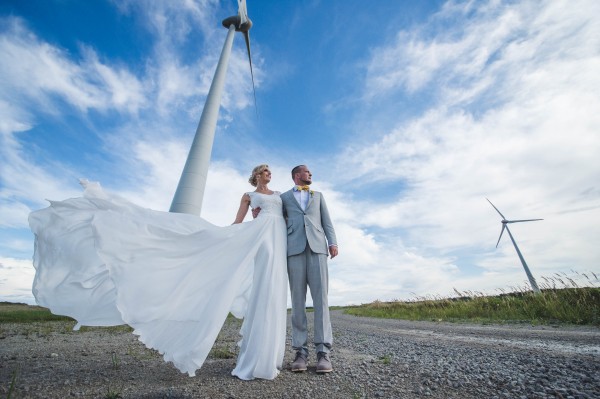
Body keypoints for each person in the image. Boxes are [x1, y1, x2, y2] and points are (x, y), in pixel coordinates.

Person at [28, 164, 288, 380]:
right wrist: (220, 236)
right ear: (256, 175)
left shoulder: (279, 194)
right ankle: (255, 358)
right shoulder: (248, 195)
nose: (269, 174)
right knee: (264, 286)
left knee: (274, 287)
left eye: (269, 172)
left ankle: (270, 355)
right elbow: (238, 221)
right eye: (264, 171)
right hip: (260, 235)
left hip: (278, 238)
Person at [256, 164, 338, 373]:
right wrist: (258, 215)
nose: (310, 174)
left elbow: (327, 221)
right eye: (307, 171)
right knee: (297, 302)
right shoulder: (283, 198)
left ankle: (323, 352)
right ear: (297, 175)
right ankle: (300, 352)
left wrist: (333, 242)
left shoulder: (318, 195)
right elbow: (274, 218)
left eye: (310, 172)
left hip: (318, 248)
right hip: (293, 250)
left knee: (321, 301)